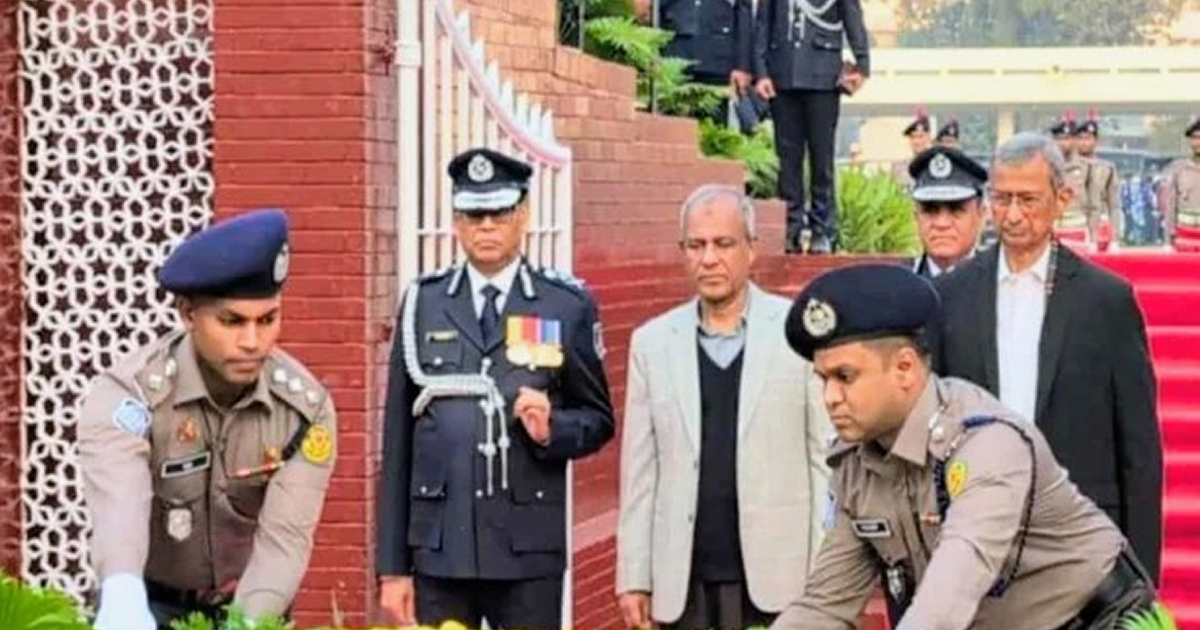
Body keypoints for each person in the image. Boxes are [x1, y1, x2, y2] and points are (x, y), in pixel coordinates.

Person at [771, 262, 1157, 630]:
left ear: (905, 368)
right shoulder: (858, 466)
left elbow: (945, 603)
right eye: (823, 379)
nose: (830, 397)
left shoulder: (985, 445)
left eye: (845, 377)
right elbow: (825, 605)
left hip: (1100, 619)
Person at [376, 148, 615, 630]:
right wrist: (393, 567)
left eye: (499, 213)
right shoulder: (423, 302)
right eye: (473, 214)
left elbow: (598, 418)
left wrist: (553, 429)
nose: (486, 226)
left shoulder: (563, 304)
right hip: (441, 547)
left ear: (523, 215)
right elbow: (398, 442)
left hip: (527, 547)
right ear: (456, 221)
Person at [77, 209, 338, 630]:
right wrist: (123, 593)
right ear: (188, 314)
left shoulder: (304, 411)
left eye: (267, 320)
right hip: (151, 605)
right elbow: (119, 504)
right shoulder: (131, 397)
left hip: (251, 606)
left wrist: (247, 625)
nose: (252, 342)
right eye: (232, 321)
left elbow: (284, 540)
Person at [931, 132, 1163, 583]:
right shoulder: (951, 296)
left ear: (1062, 199)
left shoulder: (1106, 301)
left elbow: (1138, 448)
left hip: (1081, 535)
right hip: (978, 531)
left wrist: (1141, 578)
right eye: (1002, 199)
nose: (1013, 214)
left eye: (1028, 199)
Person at [616, 185, 830, 630]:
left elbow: (824, 461)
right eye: (696, 245)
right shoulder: (652, 344)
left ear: (751, 248)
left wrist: (825, 577)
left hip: (780, 580)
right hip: (683, 583)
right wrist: (634, 576)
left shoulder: (797, 335)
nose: (709, 259)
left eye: (723, 243)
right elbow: (640, 474)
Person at [753, 0, 870, 255]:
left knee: (821, 158)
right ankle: (791, 228)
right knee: (788, 160)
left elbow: (851, 15)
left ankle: (822, 229)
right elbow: (763, 22)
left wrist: (862, 62)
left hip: (823, 73)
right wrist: (760, 72)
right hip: (783, 71)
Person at [905, 146, 988, 279]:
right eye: (930, 210)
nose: (941, 223)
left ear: (981, 216)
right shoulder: (900, 285)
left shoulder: (1001, 284)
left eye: (956, 210)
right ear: (916, 217)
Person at [1074, 117, 1123, 245]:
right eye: (1080, 138)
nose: (1084, 143)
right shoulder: (1067, 168)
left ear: (1096, 141)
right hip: (1074, 228)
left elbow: (1114, 205)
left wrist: (1115, 236)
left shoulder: (1107, 169)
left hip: (1099, 229)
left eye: (1088, 138)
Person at [1049, 116, 1091, 244]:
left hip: (1080, 228)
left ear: (1074, 140)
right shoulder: (1046, 167)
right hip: (1053, 227)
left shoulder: (1087, 168)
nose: (1063, 143)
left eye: (1067, 138)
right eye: (1059, 139)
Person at [1164, 116, 1200, 249]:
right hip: (1185, 239)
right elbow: (1170, 206)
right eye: (1195, 137)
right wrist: (1168, 240)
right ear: (1189, 141)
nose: (1198, 142)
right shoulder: (1178, 169)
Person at [889, 110, 933, 190]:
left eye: (920, 137)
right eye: (913, 137)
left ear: (929, 138)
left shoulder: (935, 164)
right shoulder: (899, 168)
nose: (917, 141)